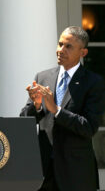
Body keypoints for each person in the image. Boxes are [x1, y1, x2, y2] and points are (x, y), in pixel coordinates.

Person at [20, 26, 105, 191]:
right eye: (60, 44)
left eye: (68, 46)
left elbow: (89, 127)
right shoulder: (42, 77)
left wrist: (56, 110)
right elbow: (25, 120)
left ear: (83, 53)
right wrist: (37, 105)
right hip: (43, 171)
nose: (61, 50)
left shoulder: (93, 83)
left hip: (76, 173)